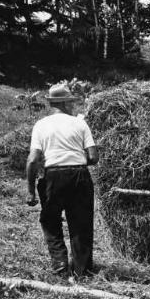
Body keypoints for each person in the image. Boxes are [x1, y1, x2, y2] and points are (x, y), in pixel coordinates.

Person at [26, 83, 98, 278]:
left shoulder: (41, 125)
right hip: (79, 176)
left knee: (50, 220)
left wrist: (31, 190)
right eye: (71, 102)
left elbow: (33, 160)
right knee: (81, 223)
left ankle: (60, 267)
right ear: (66, 103)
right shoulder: (80, 124)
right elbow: (93, 157)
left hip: (52, 177)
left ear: (52, 104)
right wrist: (75, 159)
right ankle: (82, 272)